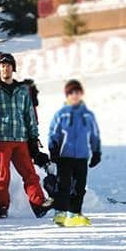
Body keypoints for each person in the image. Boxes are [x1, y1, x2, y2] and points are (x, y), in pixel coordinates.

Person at [0, 53, 48, 219]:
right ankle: (2, 207)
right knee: (3, 176)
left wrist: (33, 136)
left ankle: (39, 204)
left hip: (20, 139)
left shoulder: (22, 91)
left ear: (13, 68)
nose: (6, 68)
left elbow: (29, 115)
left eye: (9, 65)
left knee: (30, 173)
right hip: (1, 139)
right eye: (2, 66)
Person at [46, 79, 102, 228]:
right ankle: (60, 213)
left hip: (81, 157)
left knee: (79, 186)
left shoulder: (87, 116)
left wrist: (96, 152)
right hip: (65, 156)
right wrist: (53, 149)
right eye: (71, 93)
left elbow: (94, 135)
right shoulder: (61, 115)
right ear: (67, 95)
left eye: (77, 92)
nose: (74, 96)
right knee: (63, 185)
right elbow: (53, 133)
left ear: (81, 94)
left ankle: (74, 213)